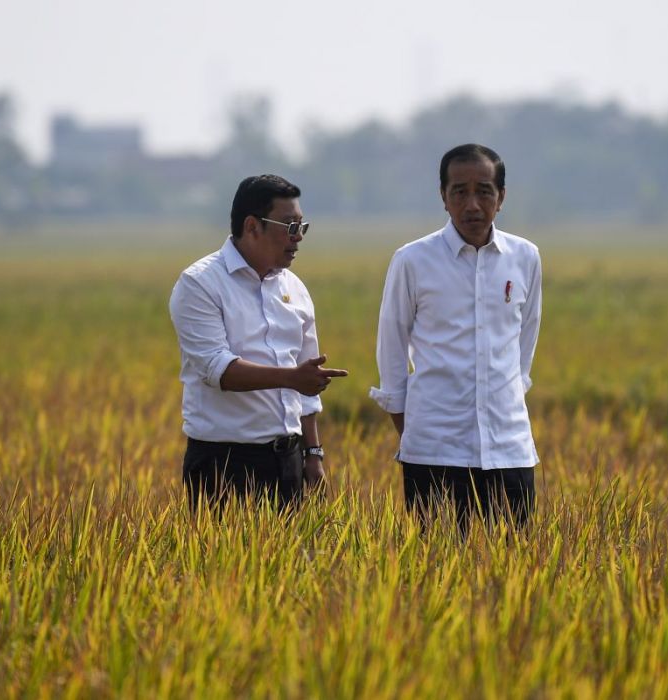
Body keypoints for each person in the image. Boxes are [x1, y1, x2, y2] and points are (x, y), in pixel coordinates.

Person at [369, 144, 542, 532]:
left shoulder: (525, 257)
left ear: (502, 197)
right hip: (434, 451)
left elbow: (523, 348)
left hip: (509, 448)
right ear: (443, 198)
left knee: (515, 572)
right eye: (459, 192)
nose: (473, 204)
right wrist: (416, 429)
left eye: (484, 191)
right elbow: (392, 350)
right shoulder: (413, 260)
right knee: (436, 573)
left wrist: (505, 400)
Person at [170, 174, 348, 512]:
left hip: (289, 459)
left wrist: (313, 455)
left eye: (302, 227)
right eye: (289, 227)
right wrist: (290, 378)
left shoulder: (294, 287)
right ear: (252, 226)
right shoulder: (200, 284)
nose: (298, 238)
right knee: (224, 564)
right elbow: (216, 369)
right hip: (224, 464)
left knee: (296, 562)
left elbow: (308, 386)